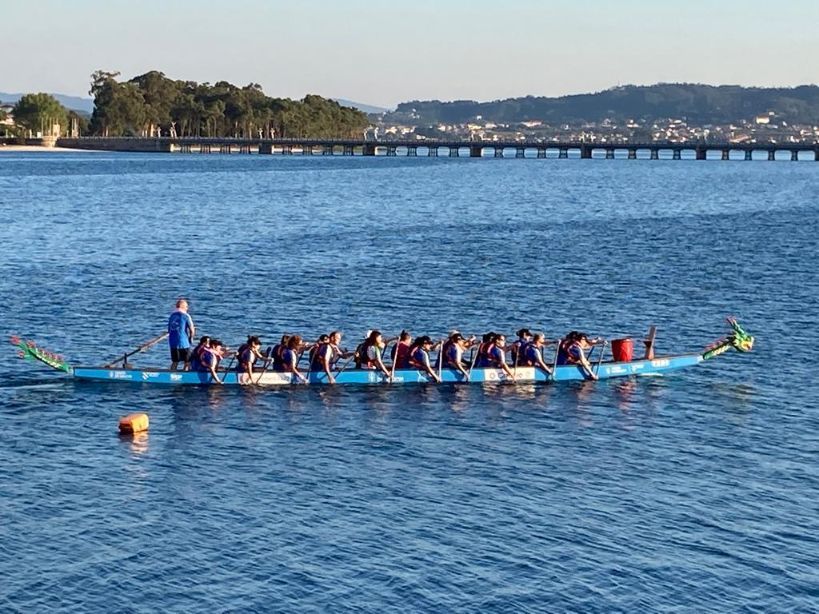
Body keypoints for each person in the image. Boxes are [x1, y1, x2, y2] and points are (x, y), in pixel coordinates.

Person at [168, 298, 195, 370]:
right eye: (186, 306)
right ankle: (185, 375)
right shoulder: (186, 316)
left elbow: (169, 329)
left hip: (173, 342)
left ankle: (172, 373)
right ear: (182, 307)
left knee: (175, 361)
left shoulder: (172, 316)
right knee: (187, 361)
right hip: (183, 342)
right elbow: (192, 330)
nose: (187, 308)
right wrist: (191, 338)